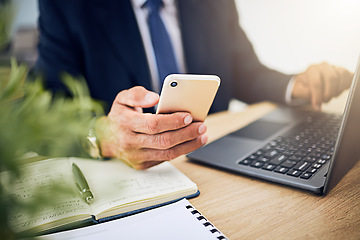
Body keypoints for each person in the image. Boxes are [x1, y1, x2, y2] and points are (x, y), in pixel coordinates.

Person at [35, 0, 353, 169]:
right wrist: (104, 136)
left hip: (213, 163)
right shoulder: (65, 6)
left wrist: (298, 83)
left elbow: (244, 72)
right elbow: (47, 115)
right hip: (128, 178)